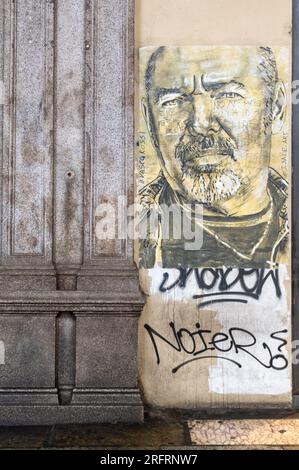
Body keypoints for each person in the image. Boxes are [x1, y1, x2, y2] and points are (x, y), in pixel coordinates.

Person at [139, 46, 288, 269]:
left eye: (228, 94)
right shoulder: (129, 230)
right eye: (173, 100)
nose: (200, 124)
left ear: (275, 107)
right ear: (150, 122)